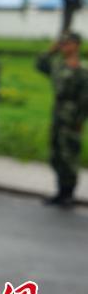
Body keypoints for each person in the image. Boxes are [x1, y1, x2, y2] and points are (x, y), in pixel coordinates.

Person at [36, 31, 88, 207]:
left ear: (76, 45)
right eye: (62, 44)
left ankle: (69, 193)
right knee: (56, 155)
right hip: (58, 115)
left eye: (67, 44)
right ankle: (60, 191)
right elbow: (40, 64)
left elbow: (86, 98)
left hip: (73, 119)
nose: (64, 47)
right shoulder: (58, 65)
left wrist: (80, 121)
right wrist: (51, 50)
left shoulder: (83, 69)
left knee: (70, 156)